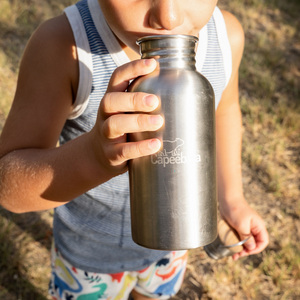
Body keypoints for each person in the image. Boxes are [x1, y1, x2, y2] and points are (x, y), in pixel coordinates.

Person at [0, 0, 269, 299]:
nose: (168, 17)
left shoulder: (225, 36)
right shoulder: (64, 47)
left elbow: (223, 112)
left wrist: (232, 199)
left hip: (171, 250)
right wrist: (92, 158)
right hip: (89, 258)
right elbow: (9, 187)